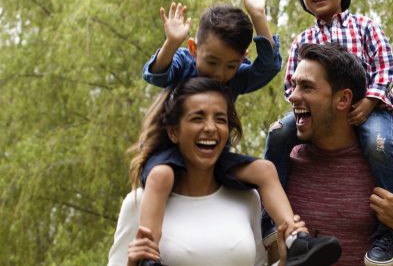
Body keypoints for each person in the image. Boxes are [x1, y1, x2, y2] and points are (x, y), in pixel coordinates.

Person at [138, 0, 339, 265]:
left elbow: (267, 68)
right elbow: (157, 74)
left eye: (230, 65)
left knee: (265, 169)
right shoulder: (185, 64)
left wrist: (258, 17)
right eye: (212, 62)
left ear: (242, 58)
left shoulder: (235, 77)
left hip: (214, 157)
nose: (220, 74)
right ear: (195, 49)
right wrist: (172, 43)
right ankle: (149, 256)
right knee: (161, 176)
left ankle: (295, 240)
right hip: (170, 152)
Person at [109, 77, 340, 266]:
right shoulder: (139, 203)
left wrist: (283, 262)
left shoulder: (248, 198)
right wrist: (132, 264)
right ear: (173, 132)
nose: (210, 128)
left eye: (220, 119)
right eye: (197, 118)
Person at [264, 0, 393, 265]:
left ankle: (387, 230)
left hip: (371, 107)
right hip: (318, 113)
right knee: (278, 133)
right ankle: (270, 215)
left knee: (379, 145)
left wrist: (369, 101)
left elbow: (385, 69)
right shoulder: (303, 40)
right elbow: (291, 86)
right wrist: (303, 101)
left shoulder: (364, 27)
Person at [281, 43, 393, 265]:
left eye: (307, 87)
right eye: (294, 85)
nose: (293, 96)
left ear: (343, 99)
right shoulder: (283, 163)